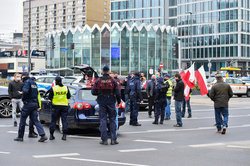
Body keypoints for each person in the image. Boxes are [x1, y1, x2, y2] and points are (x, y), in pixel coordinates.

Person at [92, 66, 121, 145]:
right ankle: (113, 139)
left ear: (102, 71)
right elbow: (118, 93)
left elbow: (93, 92)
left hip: (102, 101)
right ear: (108, 71)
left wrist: (100, 93)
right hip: (111, 101)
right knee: (112, 120)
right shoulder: (113, 80)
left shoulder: (98, 80)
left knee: (103, 120)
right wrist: (118, 102)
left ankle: (104, 140)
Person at [14, 72, 48, 142]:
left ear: (23, 77)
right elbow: (36, 94)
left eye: (21, 77)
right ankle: (43, 135)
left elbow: (25, 91)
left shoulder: (27, 82)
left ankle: (20, 137)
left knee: (22, 119)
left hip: (28, 104)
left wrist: (23, 99)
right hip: (34, 104)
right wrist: (38, 105)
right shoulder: (34, 83)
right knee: (35, 120)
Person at [48, 76, 71, 141]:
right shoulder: (65, 88)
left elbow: (50, 97)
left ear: (55, 81)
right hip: (64, 106)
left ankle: (51, 135)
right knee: (64, 120)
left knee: (53, 121)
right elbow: (68, 96)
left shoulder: (54, 88)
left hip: (56, 106)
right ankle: (64, 136)